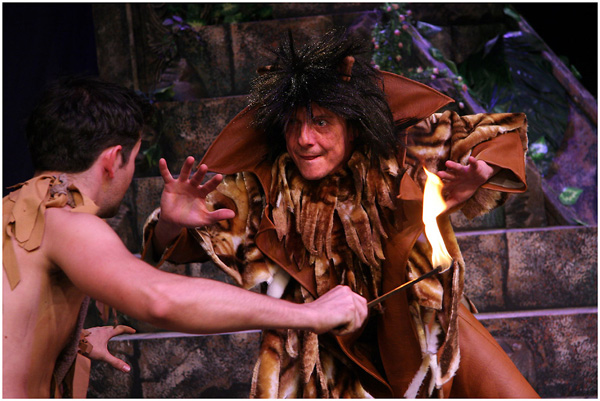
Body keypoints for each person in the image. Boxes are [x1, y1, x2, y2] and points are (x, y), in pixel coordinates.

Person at [143, 30, 540, 397]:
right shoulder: (260, 189)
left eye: (321, 122)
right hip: (322, 360)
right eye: (293, 124)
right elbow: (178, 246)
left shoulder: (407, 149)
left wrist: (482, 172)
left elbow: (501, 136)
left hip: (423, 326)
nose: (304, 139)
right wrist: (170, 223)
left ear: (352, 126)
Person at [2, 76, 368, 398]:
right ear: (113, 160)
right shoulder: (64, 222)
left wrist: (75, 340)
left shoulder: (18, 212)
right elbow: (159, 298)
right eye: (134, 161)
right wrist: (310, 314)